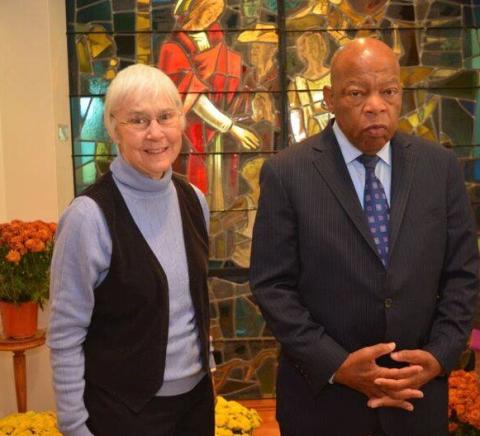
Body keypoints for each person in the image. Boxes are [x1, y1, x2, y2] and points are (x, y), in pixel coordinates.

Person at [250, 38, 479, 436]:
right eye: (357, 93)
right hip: (323, 405)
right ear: (329, 98)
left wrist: (439, 355)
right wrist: (336, 365)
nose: (375, 105)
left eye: (388, 91)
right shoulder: (288, 173)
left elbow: (463, 274)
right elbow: (272, 286)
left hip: (417, 400)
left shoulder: (438, 167)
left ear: (401, 95)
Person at [48, 64, 214, 436]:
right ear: (113, 129)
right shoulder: (88, 217)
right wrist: (74, 427)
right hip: (123, 412)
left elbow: (192, 303)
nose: (155, 133)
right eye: (138, 120)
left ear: (181, 123)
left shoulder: (195, 201)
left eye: (165, 117)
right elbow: (65, 334)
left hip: (196, 405)